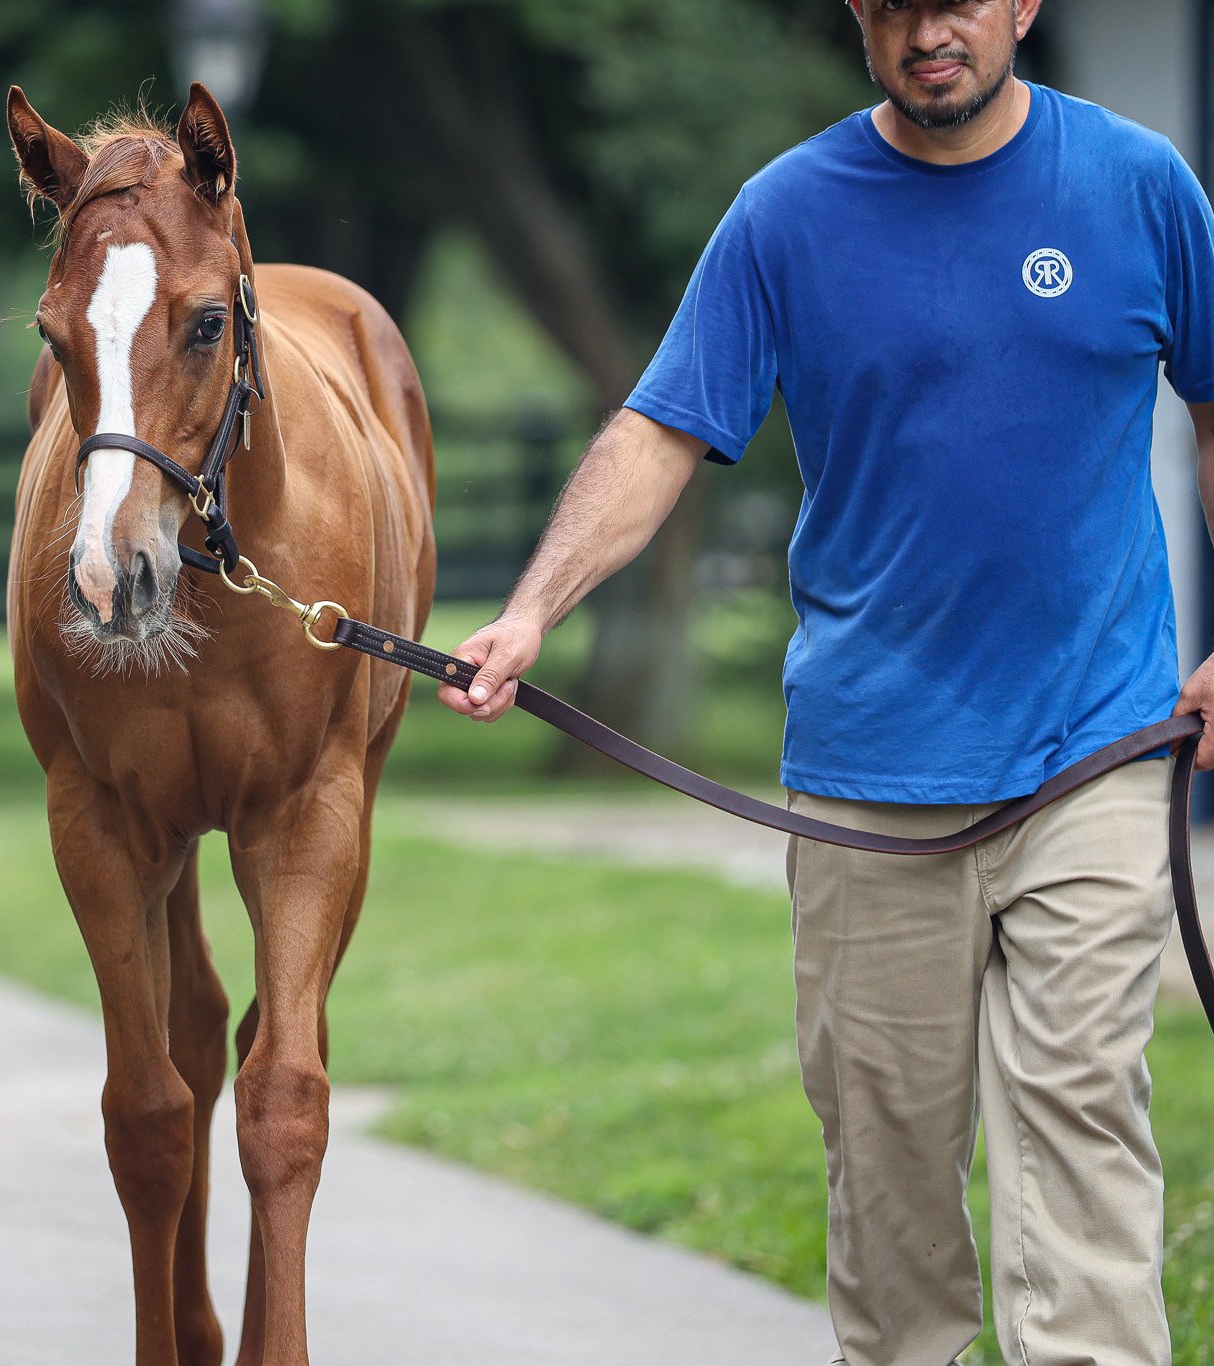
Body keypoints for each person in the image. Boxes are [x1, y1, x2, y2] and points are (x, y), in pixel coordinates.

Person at [443, 2, 1214, 1361]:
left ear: (1023, 3)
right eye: (898, 3)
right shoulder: (784, 215)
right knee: (889, 1169)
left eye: (959, 1)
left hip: (1095, 747)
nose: (932, 33)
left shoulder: (1139, 185)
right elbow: (661, 430)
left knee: (1083, 1109)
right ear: (859, 12)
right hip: (870, 776)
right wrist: (528, 612)